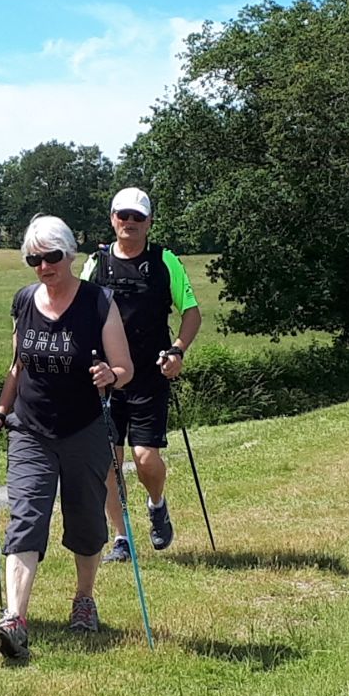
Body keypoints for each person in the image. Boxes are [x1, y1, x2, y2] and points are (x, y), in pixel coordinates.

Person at [0, 215, 135, 662]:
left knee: (85, 520)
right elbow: (17, 366)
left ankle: (84, 599)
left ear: (70, 256)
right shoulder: (24, 301)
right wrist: (0, 412)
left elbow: (125, 369)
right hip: (30, 429)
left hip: (84, 428)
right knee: (26, 515)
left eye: (52, 257)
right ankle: (14, 620)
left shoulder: (98, 301)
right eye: (34, 259)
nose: (44, 266)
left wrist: (111, 374)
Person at [80, 187, 202, 561]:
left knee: (145, 456)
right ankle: (122, 538)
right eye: (123, 216)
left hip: (150, 373)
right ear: (113, 219)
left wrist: (178, 351)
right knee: (109, 461)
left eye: (138, 218)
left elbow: (191, 312)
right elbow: (81, 312)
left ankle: (156, 504)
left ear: (149, 222)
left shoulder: (164, 261)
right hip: (107, 376)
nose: (129, 223)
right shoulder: (96, 264)